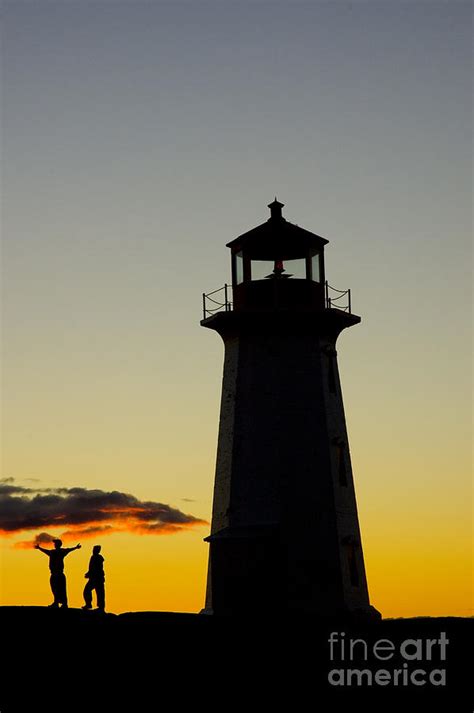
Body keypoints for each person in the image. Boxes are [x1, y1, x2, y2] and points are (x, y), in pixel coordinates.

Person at [35, 539, 81, 608]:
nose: (54, 544)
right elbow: (46, 551)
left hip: (58, 574)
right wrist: (39, 548)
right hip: (55, 574)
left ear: (57, 544)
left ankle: (63, 604)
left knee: (60, 589)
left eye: (55, 543)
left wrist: (75, 547)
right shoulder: (55, 552)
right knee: (55, 589)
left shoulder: (58, 552)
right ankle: (57, 603)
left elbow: (69, 550)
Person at [82, 545, 105, 611]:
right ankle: (89, 604)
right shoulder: (93, 557)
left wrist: (90, 574)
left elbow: (97, 568)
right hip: (94, 578)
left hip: (97, 578)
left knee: (99, 592)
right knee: (87, 591)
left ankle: (100, 607)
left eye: (94, 549)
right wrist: (88, 573)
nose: (93, 551)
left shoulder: (98, 558)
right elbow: (92, 568)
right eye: (93, 549)